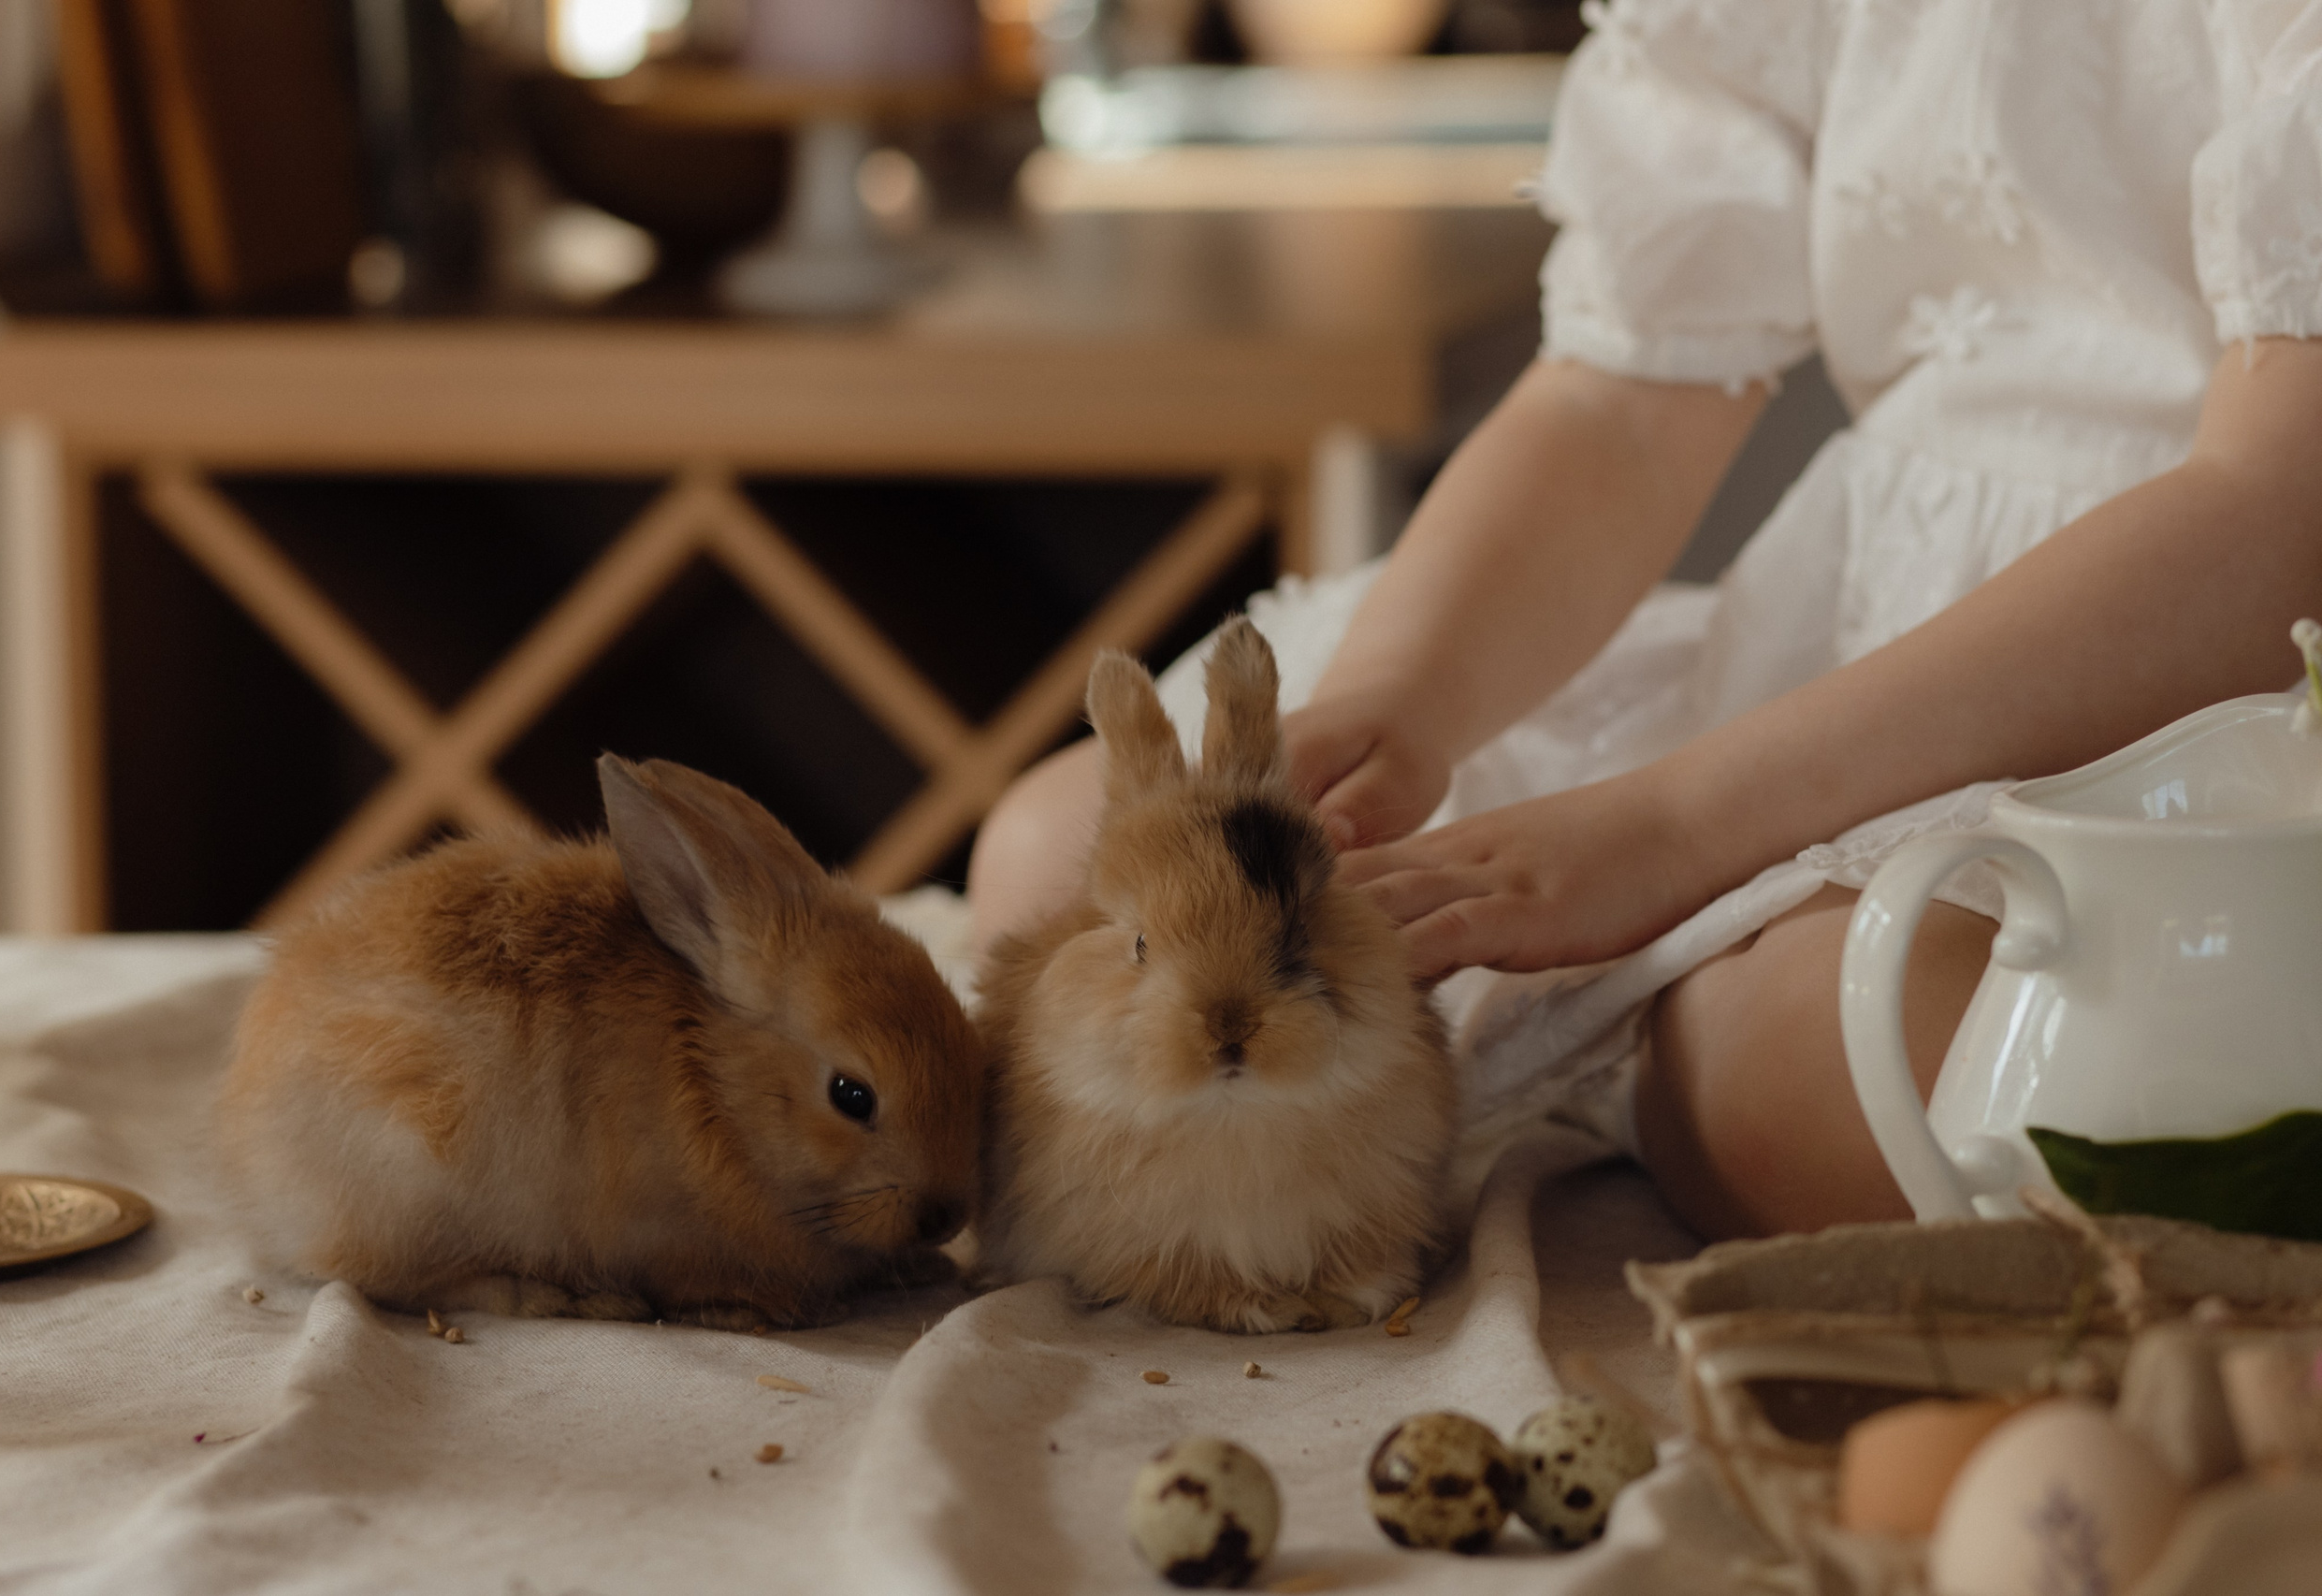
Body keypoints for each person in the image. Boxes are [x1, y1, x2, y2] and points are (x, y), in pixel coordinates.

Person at [967, 1, 2322, 1241]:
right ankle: (1638, 1029)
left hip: (2212, 703)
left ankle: (1660, 1036)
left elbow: (2276, 518)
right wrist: (1407, 695)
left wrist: (1673, 832)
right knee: (1057, 869)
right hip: (1853, 636)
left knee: (1838, 1062)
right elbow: (1621, 400)